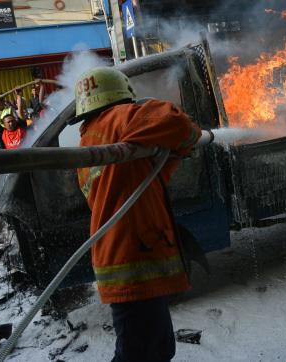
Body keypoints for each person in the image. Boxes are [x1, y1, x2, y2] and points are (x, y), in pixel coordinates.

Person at [72, 67, 201, 362]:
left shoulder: (90, 139)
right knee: (139, 353)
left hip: (125, 255)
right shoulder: (120, 118)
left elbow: (146, 177)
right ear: (121, 95)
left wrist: (172, 151)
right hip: (134, 256)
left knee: (154, 348)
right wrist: (191, 137)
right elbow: (175, 122)